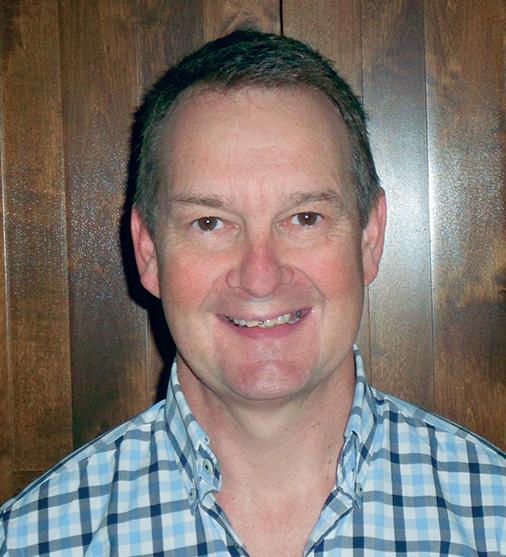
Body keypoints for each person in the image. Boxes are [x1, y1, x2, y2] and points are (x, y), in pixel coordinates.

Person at [1, 29, 504, 557]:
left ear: (369, 239)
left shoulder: (494, 519)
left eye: (305, 218)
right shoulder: (34, 541)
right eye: (209, 222)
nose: (260, 276)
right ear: (148, 251)